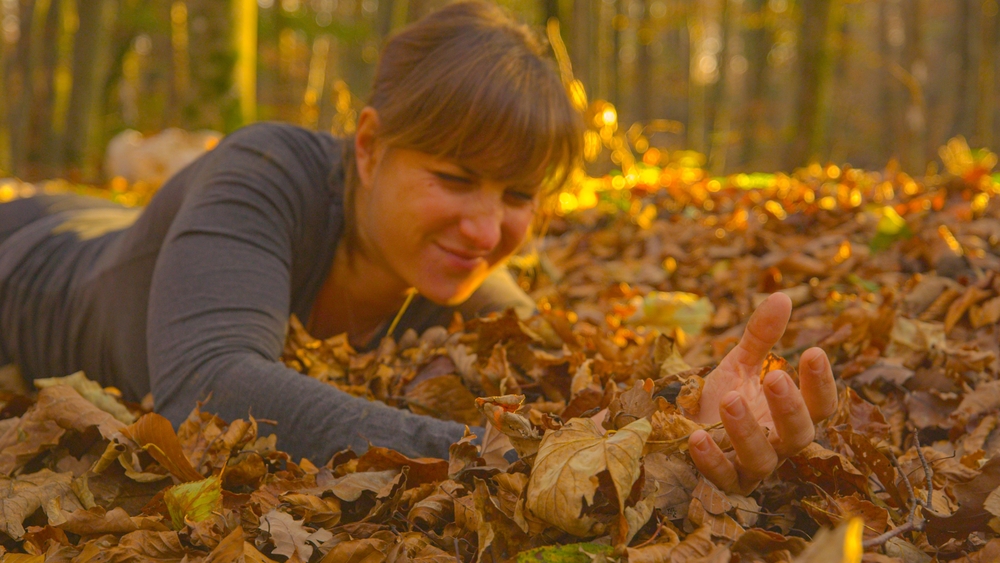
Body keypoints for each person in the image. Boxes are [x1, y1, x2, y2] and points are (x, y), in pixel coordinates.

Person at [0, 1, 835, 494]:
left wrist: (683, 428)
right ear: (368, 146)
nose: (485, 231)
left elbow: (560, 363)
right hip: (25, 250)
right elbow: (206, 386)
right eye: (455, 176)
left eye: (516, 195)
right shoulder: (266, 167)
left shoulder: (460, 273)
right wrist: (517, 462)